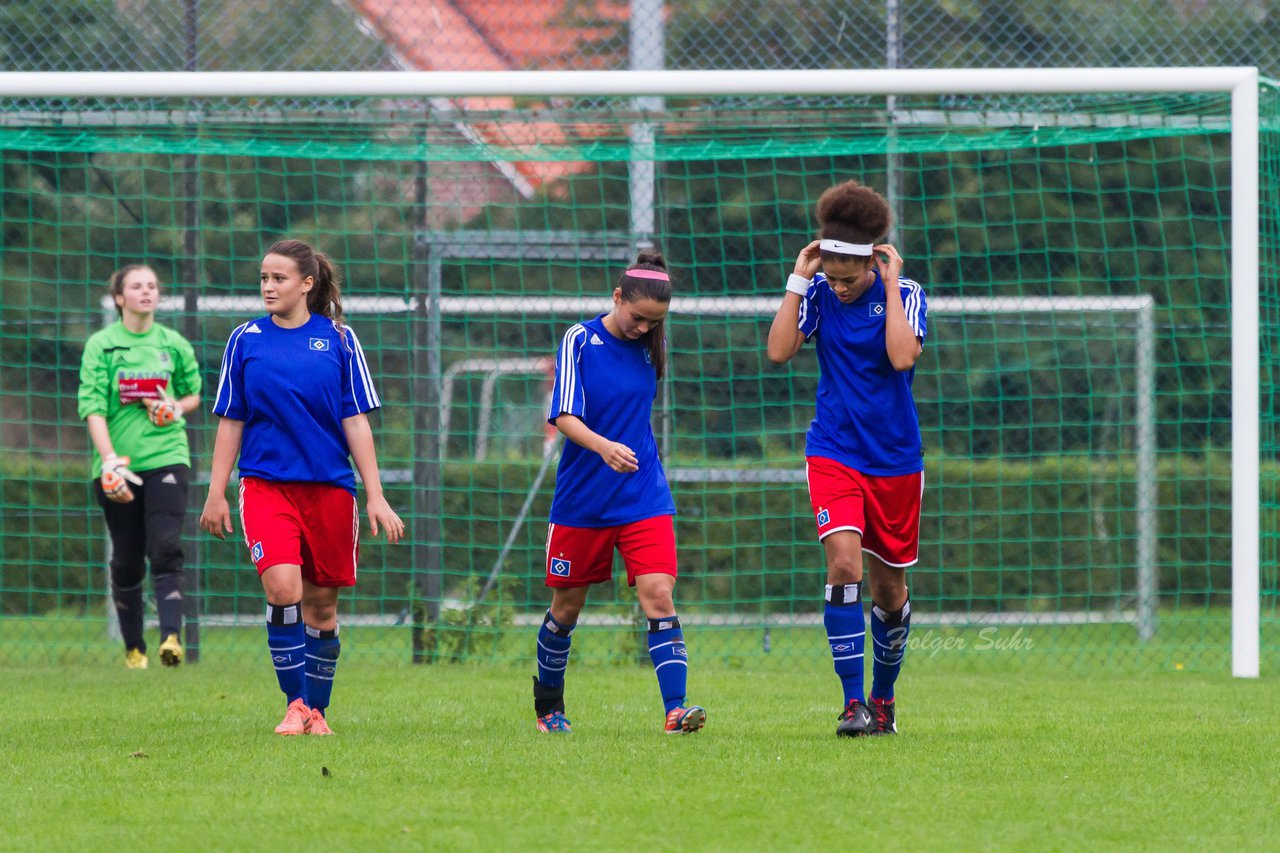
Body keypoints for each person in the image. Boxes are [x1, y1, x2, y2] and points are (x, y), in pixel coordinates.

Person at [199, 239, 404, 736]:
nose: (268, 287)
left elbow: (354, 421)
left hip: (331, 490)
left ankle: (317, 713)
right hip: (266, 486)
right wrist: (215, 491)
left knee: (323, 607)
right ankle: (294, 704)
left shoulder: (339, 338)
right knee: (283, 587)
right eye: (264, 278)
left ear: (307, 284)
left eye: (279, 278)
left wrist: (374, 494)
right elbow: (231, 419)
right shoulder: (245, 339)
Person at [767, 180, 927, 737]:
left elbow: (902, 357)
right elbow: (779, 350)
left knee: (889, 590)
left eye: (846, 277)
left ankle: (883, 700)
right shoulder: (815, 293)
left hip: (896, 459)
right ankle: (852, 702)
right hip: (833, 450)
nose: (836, 287)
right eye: (829, 276)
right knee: (842, 565)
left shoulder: (903, 293)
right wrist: (798, 280)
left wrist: (886, 282)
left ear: (871, 264)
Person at [532, 250, 705, 735]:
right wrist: (604, 447)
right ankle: (549, 708)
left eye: (654, 322)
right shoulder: (580, 340)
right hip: (583, 500)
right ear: (616, 297)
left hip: (642, 492)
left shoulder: (652, 344)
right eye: (637, 317)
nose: (643, 328)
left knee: (658, 593)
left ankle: (676, 710)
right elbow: (563, 415)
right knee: (566, 609)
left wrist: (621, 453)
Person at [78, 264, 202, 670]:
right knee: (128, 557)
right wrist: (109, 458)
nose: (146, 292)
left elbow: (192, 394)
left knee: (165, 547)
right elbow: (93, 406)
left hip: (167, 455)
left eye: (152, 286)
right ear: (119, 298)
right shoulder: (101, 345)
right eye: (136, 286)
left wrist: (174, 407)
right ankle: (135, 648)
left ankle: (170, 637)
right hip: (118, 465)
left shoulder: (174, 344)